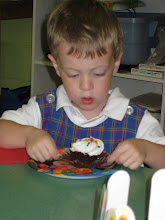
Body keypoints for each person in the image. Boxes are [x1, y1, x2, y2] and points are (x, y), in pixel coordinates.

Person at [0, 0, 165, 170]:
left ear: (115, 64)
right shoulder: (43, 109)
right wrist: (29, 135)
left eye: (98, 73)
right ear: (57, 66)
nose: (86, 86)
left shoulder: (135, 120)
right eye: (73, 74)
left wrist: (146, 150)